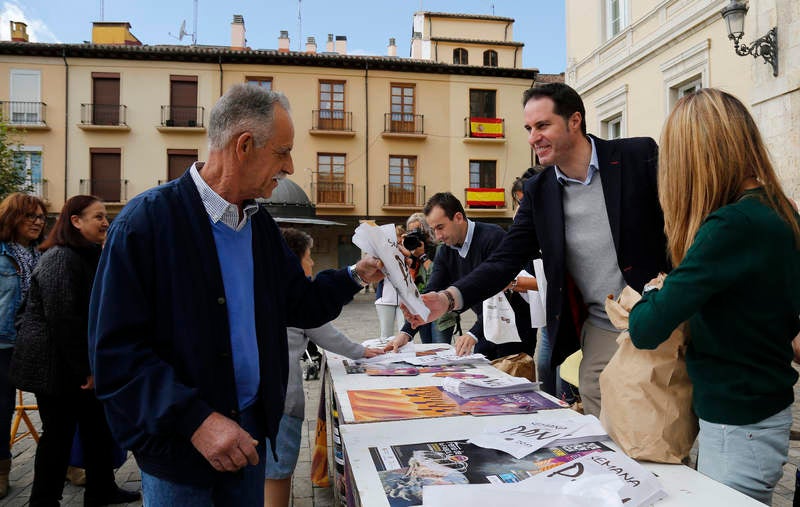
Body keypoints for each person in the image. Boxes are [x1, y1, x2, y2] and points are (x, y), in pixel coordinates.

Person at [87, 84, 383, 505]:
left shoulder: (258, 226)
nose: (291, 166)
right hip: (180, 446)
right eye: (283, 152)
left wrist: (356, 273)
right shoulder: (145, 224)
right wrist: (196, 421)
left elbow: (299, 302)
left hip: (249, 436)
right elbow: (115, 353)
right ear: (245, 146)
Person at [404, 82, 670, 417]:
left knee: (660, 408)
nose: (533, 137)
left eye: (542, 125)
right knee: (595, 393)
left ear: (575, 121)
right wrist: (449, 298)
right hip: (603, 322)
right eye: (529, 129)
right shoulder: (538, 190)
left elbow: (680, 221)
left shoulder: (636, 156)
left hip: (659, 308)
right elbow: (505, 259)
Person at [628, 89, 800, 505]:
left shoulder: (731, 224)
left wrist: (658, 291)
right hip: (759, 413)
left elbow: (646, 327)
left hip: (738, 425)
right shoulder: (780, 210)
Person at [11, 195, 140, 506]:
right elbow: (64, 319)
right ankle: (43, 500)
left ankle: (102, 489)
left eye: (104, 217)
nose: (105, 222)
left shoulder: (89, 254)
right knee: (58, 436)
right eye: (97, 217)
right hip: (57, 368)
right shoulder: (60, 258)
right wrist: (87, 369)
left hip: (77, 363)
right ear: (75, 221)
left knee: (97, 430)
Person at [264, 228, 383, 507]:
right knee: (278, 474)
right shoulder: (295, 299)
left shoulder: (265, 293)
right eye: (308, 257)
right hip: (283, 401)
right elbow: (327, 335)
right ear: (292, 261)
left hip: (263, 398)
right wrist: (364, 351)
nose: (313, 263)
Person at [389, 192, 536, 360]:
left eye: (440, 227)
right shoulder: (445, 250)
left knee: (514, 380)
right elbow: (431, 292)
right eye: (433, 230)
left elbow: (504, 292)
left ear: (458, 217)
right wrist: (406, 332)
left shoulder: (493, 236)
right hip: (486, 327)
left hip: (515, 327)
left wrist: (473, 333)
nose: (437, 236)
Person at [0, 193, 46, 498]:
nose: (38, 222)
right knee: (1, 409)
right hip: (3, 343)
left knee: (55, 408)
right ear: (13, 217)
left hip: (37, 342)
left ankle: (68, 464)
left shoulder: (42, 255)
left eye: (41, 217)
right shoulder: (2, 254)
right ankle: (2, 471)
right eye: (31, 216)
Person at [403, 213, 455, 344]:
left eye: (417, 231)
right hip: (421, 309)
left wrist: (422, 256)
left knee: (439, 350)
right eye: (410, 232)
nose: (413, 235)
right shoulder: (411, 254)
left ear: (427, 232)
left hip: (441, 313)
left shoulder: (440, 249)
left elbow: (438, 276)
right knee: (427, 348)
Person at [374, 226, 406, 339]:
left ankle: (404, 356)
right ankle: (386, 356)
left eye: (399, 241)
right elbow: (377, 270)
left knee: (405, 332)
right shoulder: (381, 254)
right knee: (386, 334)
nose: (396, 245)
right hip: (385, 299)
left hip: (405, 300)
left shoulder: (407, 254)